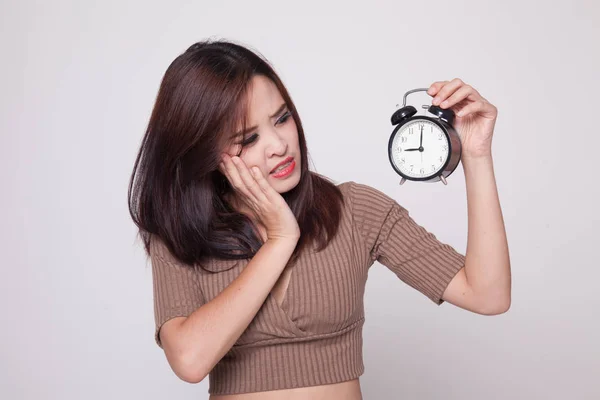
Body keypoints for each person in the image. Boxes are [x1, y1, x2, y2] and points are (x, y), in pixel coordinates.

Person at [128, 38, 511, 399]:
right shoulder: (180, 234)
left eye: (281, 119)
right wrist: (279, 241)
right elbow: (190, 361)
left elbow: (487, 294)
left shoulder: (356, 210)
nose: (279, 146)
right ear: (204, 153)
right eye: (248, 139)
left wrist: (476, 156)